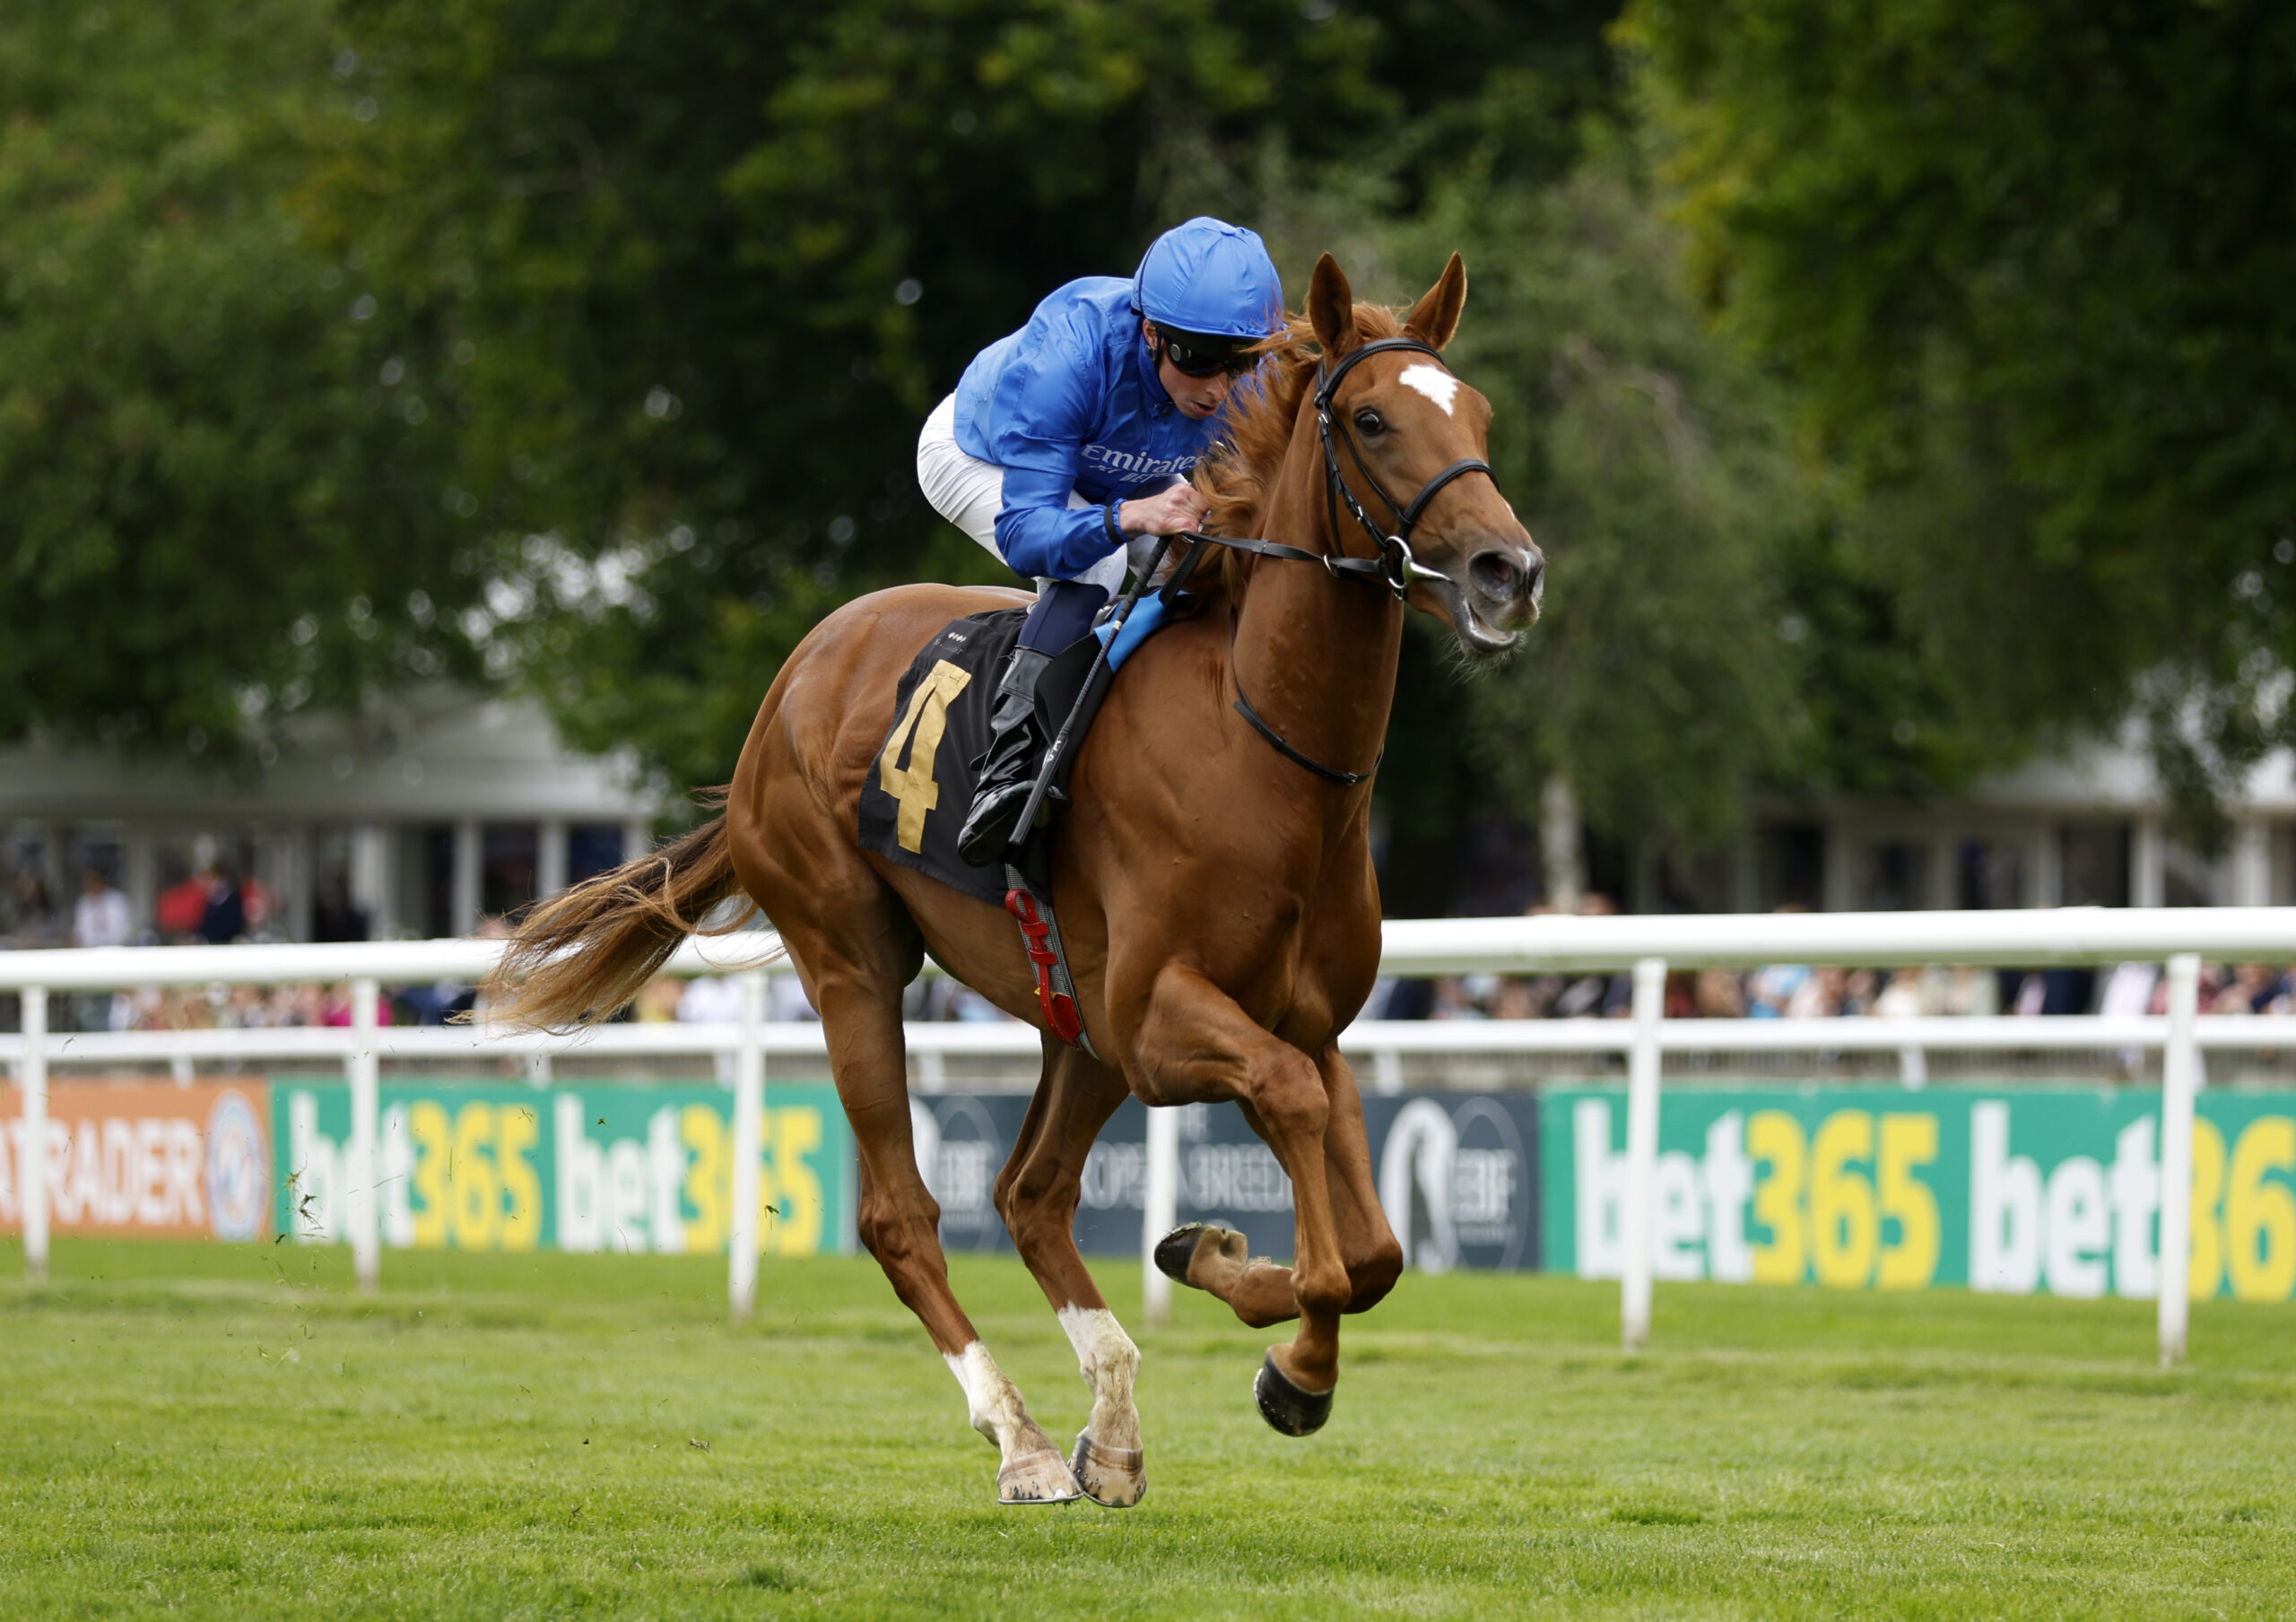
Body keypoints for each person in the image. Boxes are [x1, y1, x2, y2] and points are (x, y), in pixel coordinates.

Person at [915, 216, 1285, 863]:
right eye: (1199, 363)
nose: (1220, 389)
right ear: (1150, 332)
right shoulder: (1068, 357)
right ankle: (1007, 770)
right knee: (1098, 565)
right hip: (979, 451)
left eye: (1240, 365)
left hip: (1109, 462)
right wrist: (1127, 518)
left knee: (1199, 567)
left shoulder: (1236, 372)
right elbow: (1029, 535)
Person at [71, 868, 132, 949]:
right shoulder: (83, 903)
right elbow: (79, 930)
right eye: (89, 883)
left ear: (102, 881)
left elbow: (127, 926)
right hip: (89, 950)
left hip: (116, 948)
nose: (92, 886)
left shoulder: (117, 900)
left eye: (94, 881)